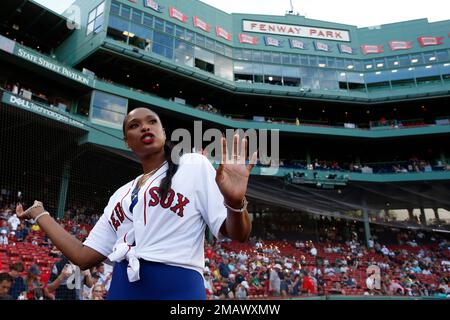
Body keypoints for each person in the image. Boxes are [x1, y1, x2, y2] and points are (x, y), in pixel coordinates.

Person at [16, 107, 256, 300]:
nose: (144, 127)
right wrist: (40, 214)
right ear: (126, 141)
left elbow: (238, 233)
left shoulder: (193, 165)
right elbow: (83, 256)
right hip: (124, 288)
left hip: (178, 288)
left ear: (163, 132)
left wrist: (235, 203)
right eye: (134, 125)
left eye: (152, 122)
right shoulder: (120, 194)